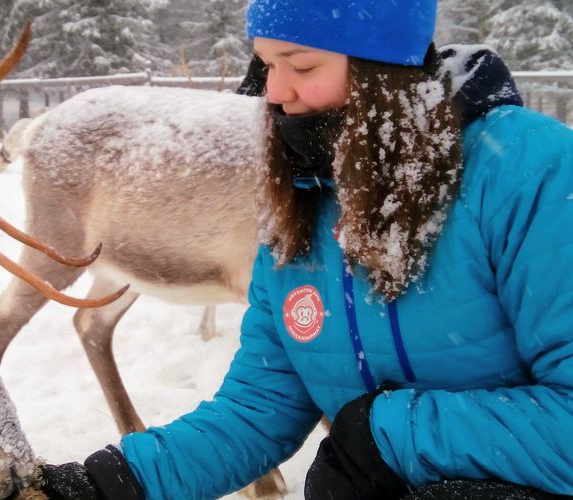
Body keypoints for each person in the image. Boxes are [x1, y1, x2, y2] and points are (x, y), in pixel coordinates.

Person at [36, 1, 573, 499]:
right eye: (267, 65)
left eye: (302, 66)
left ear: (382, 64)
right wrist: (105, 486)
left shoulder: (529, 173)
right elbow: (256, 412)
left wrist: (391, 437)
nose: (273, 91)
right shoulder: (304, 202)